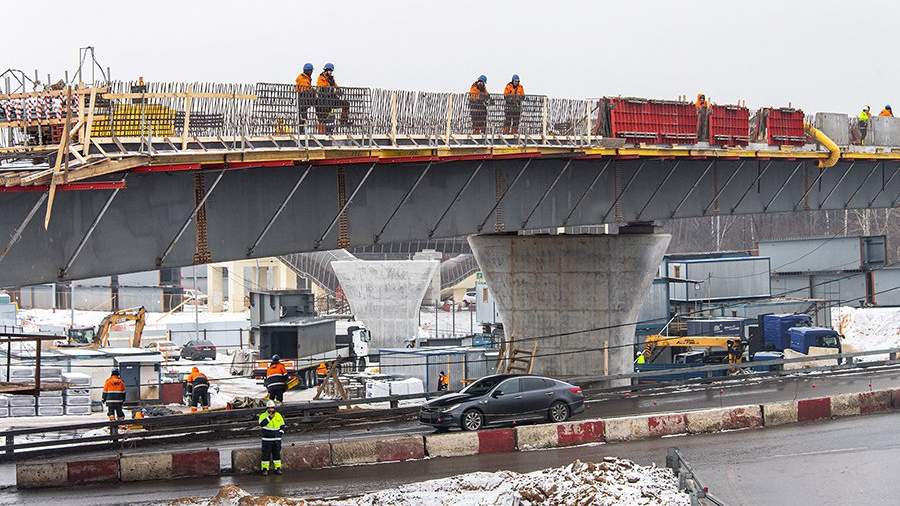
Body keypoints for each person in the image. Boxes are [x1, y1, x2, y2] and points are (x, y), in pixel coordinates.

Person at [315, 63, 350, 134]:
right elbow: (322, 87)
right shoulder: (321, 78)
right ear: (326, 70)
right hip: (324, 101)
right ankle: (321, 133)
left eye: (331, 71)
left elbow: (336, 86)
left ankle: (343, 121)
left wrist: (339, 90)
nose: (330, 72)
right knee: (322, 119)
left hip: (332, 99)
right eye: (329, 70)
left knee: (346, 104)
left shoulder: (331, 79)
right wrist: (331, 89)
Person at [258, 400, 285, 475]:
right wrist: (269, 417)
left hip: (277, 439)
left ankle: (278, 468)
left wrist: (281, 432)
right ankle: (264, 469)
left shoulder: (278, 415)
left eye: (272, 408)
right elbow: (262, 424)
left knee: (277, 454)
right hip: (267, 439)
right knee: (265, 454)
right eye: (269, 408)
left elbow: (282, 425)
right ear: (267, 408)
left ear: (274, 408)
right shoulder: (263, 415)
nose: (271, 409)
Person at [295, 63, 315, 132]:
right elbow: (306, 89)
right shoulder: (303, 79)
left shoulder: (305, 78)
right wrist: (313, 91)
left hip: (304, 99)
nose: (312, 72)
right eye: (311, 71)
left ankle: (302, 131)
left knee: (303, 116)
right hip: (303, 98)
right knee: (303, 116)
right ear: (308, 71)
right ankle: (301, 131)